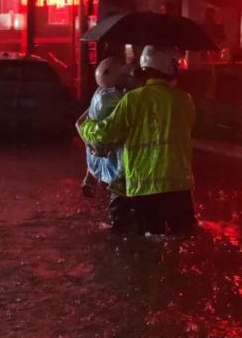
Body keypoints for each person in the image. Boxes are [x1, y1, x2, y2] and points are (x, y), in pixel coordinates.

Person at [78, 45, 197, 236]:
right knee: (183, 237)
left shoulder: (133, 100)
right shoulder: (185, 100)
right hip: (181, 187)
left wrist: (86, 126)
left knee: (150, 241)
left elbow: (106, 132)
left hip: (145, 187)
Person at [81, 57, 130, 198]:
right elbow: (130, 100)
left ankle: (89, 182)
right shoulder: (108, 97)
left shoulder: (100, 92)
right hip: (106, 141)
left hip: (97, 142)